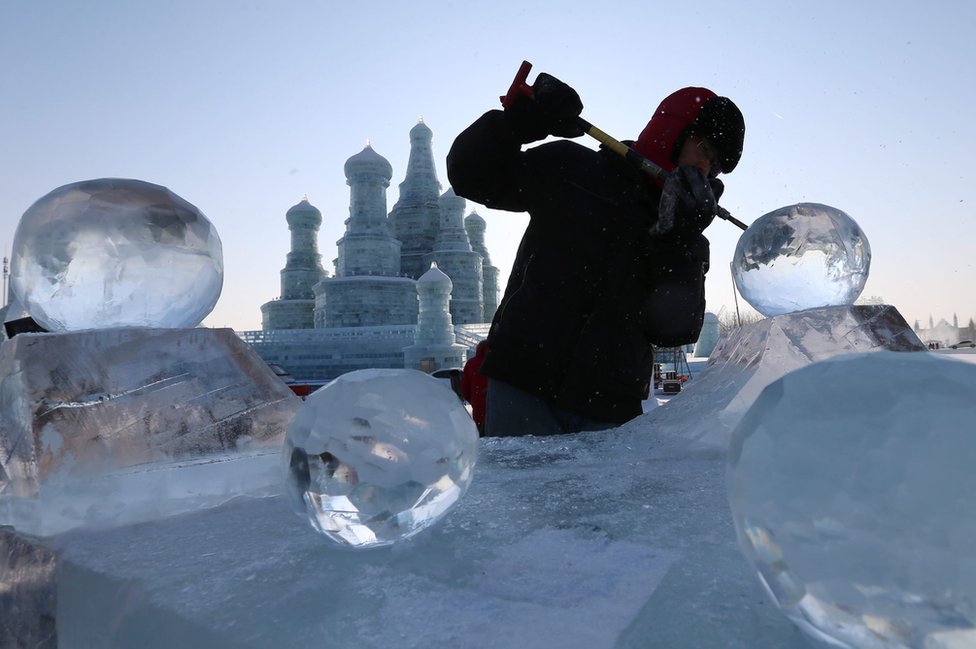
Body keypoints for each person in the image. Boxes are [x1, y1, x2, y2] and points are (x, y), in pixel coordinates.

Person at [446, 72, 744, 437]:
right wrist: (519, 122)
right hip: (522, 383)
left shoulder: (683, 236)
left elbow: (673, 329)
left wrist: (677, 238)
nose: (705, 168)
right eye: (704, 149)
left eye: (714, 165)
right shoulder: (572, 168)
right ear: (673, 133)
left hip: (609, 412)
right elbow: (470, 174)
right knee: (519, 493)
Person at [460, 340, 489, 436]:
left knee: (479, 430)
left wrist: (473, 399)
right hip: (494, 402)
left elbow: (464, 387)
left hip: (478, 401)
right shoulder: (496, 362)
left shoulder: (471, 364)